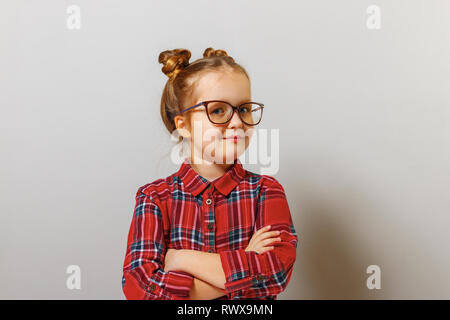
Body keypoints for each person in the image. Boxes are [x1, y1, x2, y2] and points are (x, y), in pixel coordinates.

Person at [121, 47, 298, 300]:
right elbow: (139, 289)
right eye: (218, 110)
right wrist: (245, 262)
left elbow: (274, 274)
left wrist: (182, 259)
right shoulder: (154, 198)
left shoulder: (266, 191)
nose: (237, 122)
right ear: (183, 125)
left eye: (244, 109)